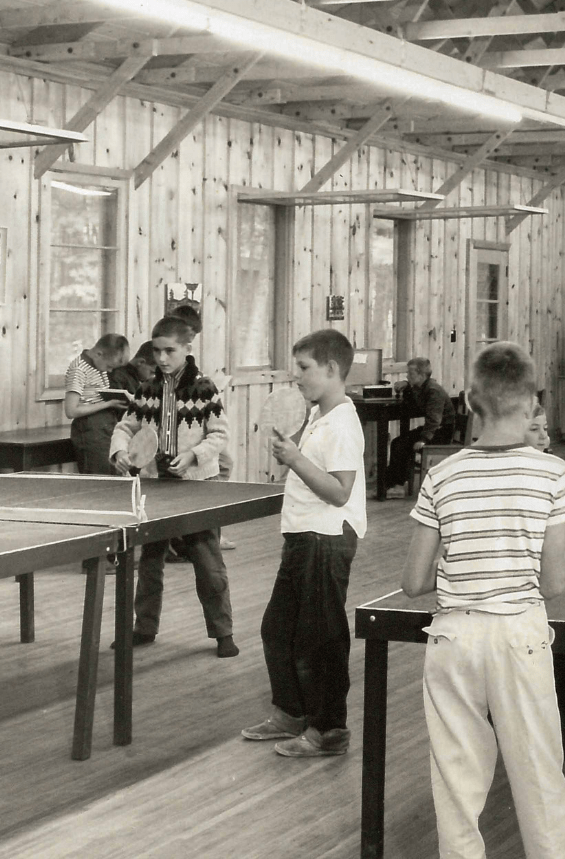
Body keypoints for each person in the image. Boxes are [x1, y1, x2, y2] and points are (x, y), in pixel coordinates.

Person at [402, 341, 565, 859]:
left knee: (456, 786)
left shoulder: (441, 474)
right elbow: (553, 582)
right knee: (539, 778)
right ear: (534, 401)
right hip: (518, 636)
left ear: (469, 401)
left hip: (453, 639)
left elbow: (414, 580)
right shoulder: (554, 475)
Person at [244, 329, 365, 758]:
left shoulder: (343, 424)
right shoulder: (318, 416)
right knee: (277, 630)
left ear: (332, 370)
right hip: (302, 536)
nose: (297, 377)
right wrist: (292, 451)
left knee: (321, 640)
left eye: (304, 368)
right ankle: (291, 712)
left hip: (326, 540)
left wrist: (294, 458)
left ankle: (329, 730)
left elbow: (339, 492)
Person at [108, 316, 237, 657]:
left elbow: (220, 435)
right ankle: (143, 628)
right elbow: (126, 427)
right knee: (150, 562)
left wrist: (194, 455)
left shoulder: (206, 388)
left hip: (197, 487)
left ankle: (223, 633)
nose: (162, 358)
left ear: (187, 349)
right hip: (156, 486)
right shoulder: (146, 389)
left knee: (208, 564)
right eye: (157, 351)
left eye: (170, 351)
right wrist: (120, 450)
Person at [383, 357, 453, 496]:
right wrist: (406, 384)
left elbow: (434, 420)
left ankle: (397, 487)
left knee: (401, 445)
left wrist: (423, 440)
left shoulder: (434, 391)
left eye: (411, 374)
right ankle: (390, 485)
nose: (408, 376)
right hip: (434, 430)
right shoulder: (422, 386)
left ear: (421, 375)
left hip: (441, 432)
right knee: (398, 442)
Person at [64, 334, 130, 475]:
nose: (110, 371)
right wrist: (108, 404)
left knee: (113, 475)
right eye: (109, 366)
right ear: (99, 354)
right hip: (89, 428)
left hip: (106, 426)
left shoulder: (99, 366)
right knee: (98, 475)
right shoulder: (79, 369)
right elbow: (71, 411)